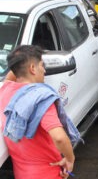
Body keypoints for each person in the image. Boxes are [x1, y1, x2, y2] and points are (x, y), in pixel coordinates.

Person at [0, 45, 80, 179]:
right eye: (42, 65)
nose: (44, 70)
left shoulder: (5, 89)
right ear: (32, 68)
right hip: (48, 174)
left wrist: (21, 60)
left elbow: (14, 72)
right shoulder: (41, 99)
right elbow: (59, 138)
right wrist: (70, 159)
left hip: (21, 174)